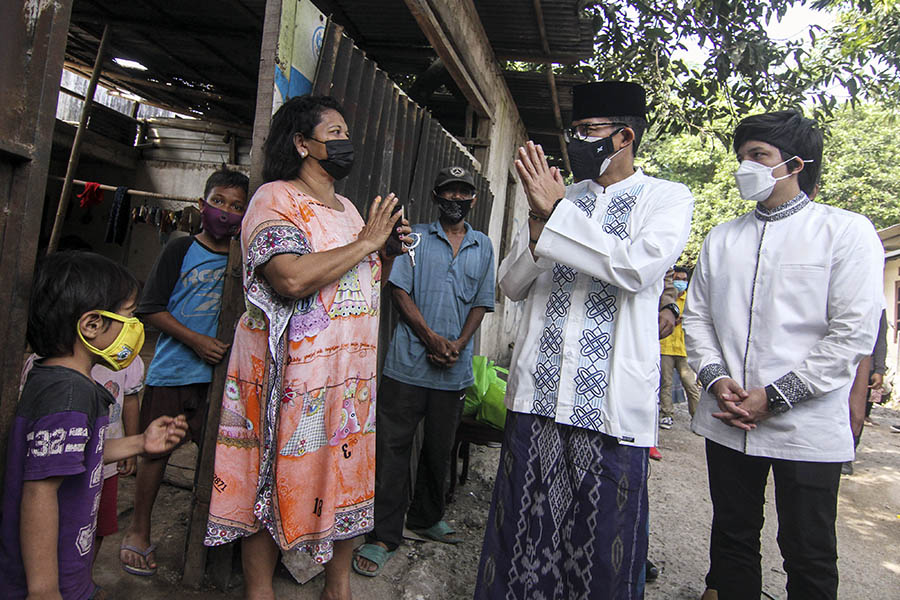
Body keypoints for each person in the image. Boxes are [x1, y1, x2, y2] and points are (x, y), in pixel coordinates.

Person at [474, 81, 694, 598]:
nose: (576, 142)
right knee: (521, 533)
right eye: (573, 131)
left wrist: (556, 216)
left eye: (588, 131)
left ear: (624, 136)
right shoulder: (559, 197)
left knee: (602, 546)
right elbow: (511, 284)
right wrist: (536, 220)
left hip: (609, 407)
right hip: (539, 398)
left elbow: (636, 269)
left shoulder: (666, 197)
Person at [204, 95, 411, 600]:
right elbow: (291, 278)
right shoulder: (275, 199)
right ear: (302, 143)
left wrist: (381, 247)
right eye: (334, 132)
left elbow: (352, 288)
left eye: (345, 132)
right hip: (288, 379)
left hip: (348, 378)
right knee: (270, 475)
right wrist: (367, 243)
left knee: (344, 476)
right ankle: (260, 591)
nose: (346, 142)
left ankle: (336, 590)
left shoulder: (349, 210)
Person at [684, 110, 883, 600]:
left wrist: (775, 396)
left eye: (758, 156)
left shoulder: (845, 232)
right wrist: (714, 380)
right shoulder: (722, 237)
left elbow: (852, 333)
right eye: (741, 156)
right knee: (731, 538)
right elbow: (698, 318)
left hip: (807, 426)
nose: (744, 167)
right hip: (728, 417)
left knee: (809, 550)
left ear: (794, 164)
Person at [0, 252, 187, 600]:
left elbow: (82, 452)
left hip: (68, 573)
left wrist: (140, 442)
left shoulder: (60, 381)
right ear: (92, 326)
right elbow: (40, 490)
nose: (136, 327)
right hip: (48, 582)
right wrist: (43, 590)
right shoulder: (68, 394)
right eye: (129, 316)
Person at [352, 166, 495, 576]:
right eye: (448, 193)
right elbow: (398, 291)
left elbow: (482, 301)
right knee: (393, 451)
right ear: (436, 197)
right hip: (407, 366)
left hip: (454, 370)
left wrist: (459, 345)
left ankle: (426, 518)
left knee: (439, 448)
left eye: (463, 193)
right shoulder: (413, 240)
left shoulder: (482, 245)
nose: (456, 199)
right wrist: (431, 338)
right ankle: (382, 534)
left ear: (473, 200)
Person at [120, 166, 249, 576]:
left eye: (236, 207)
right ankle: (138, 531)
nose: (226, 212)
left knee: (216, 457)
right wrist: (195, 340)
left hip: (221, 379)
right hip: (175, 372)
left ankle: (209, 535)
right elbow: (150, 307)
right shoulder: (179, 249)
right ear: (201, 205)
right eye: (219, 202)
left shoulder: (243, 257)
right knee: (156, 452)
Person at [20, 353, 144, 558]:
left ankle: (84, 575)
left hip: (105, 466)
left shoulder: (127, 360)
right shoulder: (42, 363)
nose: (132, 329)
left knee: (96, 527)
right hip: (55, 465)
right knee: (50, 522)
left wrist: (133, 444)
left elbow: (130, 400)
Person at [844, 309, 888, 474]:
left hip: (864, 366)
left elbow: (880, 339)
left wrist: (879, 369)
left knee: (857, 412)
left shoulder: (878, 306)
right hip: (840, 363)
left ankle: (849, 455)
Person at [659, 265, 702, 428]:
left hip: (684, 349)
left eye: (684, 280)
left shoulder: (691, 300)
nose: (681, 283)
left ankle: (697, 417)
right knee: (666, 384)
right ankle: (666, 414)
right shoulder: (664, 298)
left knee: (690, 385)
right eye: (677, 279)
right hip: (665, 348)